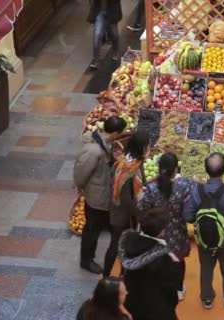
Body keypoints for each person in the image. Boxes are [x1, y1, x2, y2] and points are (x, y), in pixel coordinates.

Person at [183, 152, 224, 310]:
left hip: (203, 240)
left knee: (206, 268)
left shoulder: (197, 191)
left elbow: (188, 215)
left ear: (206, 170)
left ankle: (207, 299)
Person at [74, 116, 127, 274]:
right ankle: (86, 260)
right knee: (91, 229)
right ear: (115, 132)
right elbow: (80, 173)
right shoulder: (93, 150)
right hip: (96, 197)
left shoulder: (105, 143)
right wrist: (81, 188)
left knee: (98, 224)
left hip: (104, 194)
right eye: (121, 133)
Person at [139, 152, 194, 301]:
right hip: (177, 232)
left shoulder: (151, 188)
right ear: (176, 169)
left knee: (158, 262)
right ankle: (178, 289)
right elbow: (191, 208)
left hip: (157, 233)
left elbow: (142, 207)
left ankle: (158, 289)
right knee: (178, 262)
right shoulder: (185, 185)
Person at [103, 129, 151, 278]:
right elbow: (126, 199)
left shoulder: (129, 160)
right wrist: (139, 215)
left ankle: (123, 274)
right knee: (116, 245)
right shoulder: (130, 169)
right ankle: (107, 276)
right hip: (122, 216)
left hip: (126, 213)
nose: (149, 149)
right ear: (142, 148)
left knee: (123, 245)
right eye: (148, 147)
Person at [119, 207, 181, 320]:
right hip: (157, 309)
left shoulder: (130, 244)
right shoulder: (163, 258)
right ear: (161, 231)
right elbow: (171, 289)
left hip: (134, 304)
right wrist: (176, 265)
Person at [87, 0, 123, 69]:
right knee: (97, 34)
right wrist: (92, 6)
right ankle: (96, 59)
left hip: (112, 11)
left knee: (114, 34)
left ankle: (115, 50)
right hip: (99, 11)